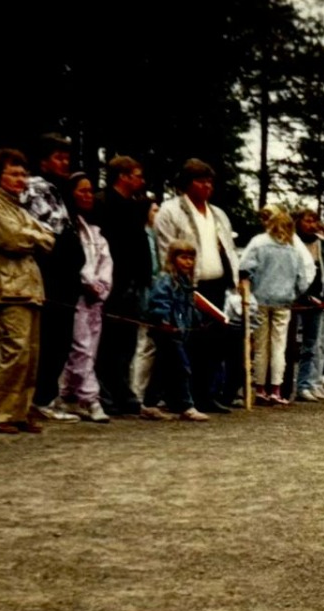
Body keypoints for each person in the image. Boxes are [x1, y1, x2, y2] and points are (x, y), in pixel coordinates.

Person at [0, 149, 55, 434]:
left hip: (28, 284)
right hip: (7, 285)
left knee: (30, 355)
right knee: (15, 351)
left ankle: (18, 412)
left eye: (24, 174)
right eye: (14, 173)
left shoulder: (18, 208)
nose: (21, 179)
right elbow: (12, 240)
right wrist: (35, 236)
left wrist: (33, 236)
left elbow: (49, 237)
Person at [153, 159, 241, 415]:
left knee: (213, 344)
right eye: (200, 181)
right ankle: (180, 398)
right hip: (187, 286)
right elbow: (165, 250)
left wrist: (234, 278)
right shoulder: (170, 211)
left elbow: (229, 249)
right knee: (185, 343)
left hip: (216, 284)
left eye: (210, 182)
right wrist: (176, 281)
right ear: (186, 183)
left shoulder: (218, 214)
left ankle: (206, 395)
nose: (207, 186)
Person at [24, 134, 81, 422]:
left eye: (67, 158)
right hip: (51, 274)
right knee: (49, 338)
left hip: (66, 276)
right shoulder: (36, 187)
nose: (65, 163)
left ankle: (45, 397)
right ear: (43, 161)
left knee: (61, 339)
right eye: (58, 157)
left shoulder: (60, 189)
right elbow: (50, 231)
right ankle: (38, 399)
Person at [237, 206, 314, 405]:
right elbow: (303, 282)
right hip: (284, 302)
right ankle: (276, 389)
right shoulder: (293, 250)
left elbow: (244, 267)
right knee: (279, 346)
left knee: (262, 347)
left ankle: (260, 388)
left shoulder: (258, 243)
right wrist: (292, 294)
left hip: (260, 299)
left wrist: (252, 288)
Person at [95, 156, 151, 416]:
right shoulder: (104, 203)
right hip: (112, 282)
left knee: (127, 342)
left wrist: (143, 278)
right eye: (137, 175)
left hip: (134, 282)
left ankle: (122, 391)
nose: (142, 180)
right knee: (109, 341)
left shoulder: (134, 205)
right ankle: (106, 392)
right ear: (123, 176)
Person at [56, 172, 114, 422]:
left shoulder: (95, 232)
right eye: (82, 191)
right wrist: (87, 284)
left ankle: (69, 394)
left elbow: (105, 263)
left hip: (95, 300)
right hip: (77, 295)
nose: (88, 195)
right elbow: (74, 263)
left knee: (91, 346)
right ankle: (91, 398)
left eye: (91, 191)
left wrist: (101, 287)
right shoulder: (68, 227)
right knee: (80, 348)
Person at [144, 240, 209, 421]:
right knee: (182, 368)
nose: (187, 262)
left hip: (180, 331)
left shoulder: (186, 282)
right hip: (167, 331)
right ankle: (186, 405)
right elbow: (159, 302)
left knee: (162, 368)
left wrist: (198, 321)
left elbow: (190, 306)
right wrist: (163, 320)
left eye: (191, 258)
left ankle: (149, 403)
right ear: (173, 258)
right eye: (183, 258)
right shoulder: (166, 280)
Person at [290, 208, 324, 401]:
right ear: (298, 222)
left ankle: (306, 384)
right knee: (290, 344)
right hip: (295, 299)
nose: (311, 225)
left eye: (314, 221)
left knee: (312, 344)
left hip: (317, 299)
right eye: (307, 221)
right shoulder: (291, 242)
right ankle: (282, 386)